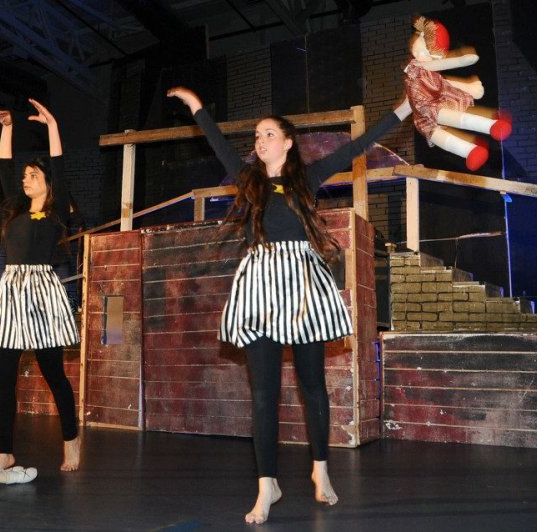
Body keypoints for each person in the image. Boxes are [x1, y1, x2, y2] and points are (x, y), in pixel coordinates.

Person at [167, 86, 411, 524]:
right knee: (264, 394)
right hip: (260, 286)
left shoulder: (308, 178)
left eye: (268, 134)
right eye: (256, 136)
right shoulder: (249, 179)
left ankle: (321, 469)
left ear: (288, 141)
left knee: (312, 384)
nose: (260, 141)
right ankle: (267, 485)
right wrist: (197, 107)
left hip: (301, 287)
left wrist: (405, 107)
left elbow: (359, 145)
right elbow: (218, 143)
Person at [0, 99, 81, 472]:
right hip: (11, 292)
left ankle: (71, 440)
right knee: (4, 378)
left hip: (42, 292)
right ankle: (4, 451)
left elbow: (59, 166)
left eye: (32, 175)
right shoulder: (15, 210)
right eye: (25, 175)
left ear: (47, 182)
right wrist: (7, 128)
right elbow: (2, 168)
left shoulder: (56, 213)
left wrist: (52, 126)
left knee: (54, 373)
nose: (25, 179)